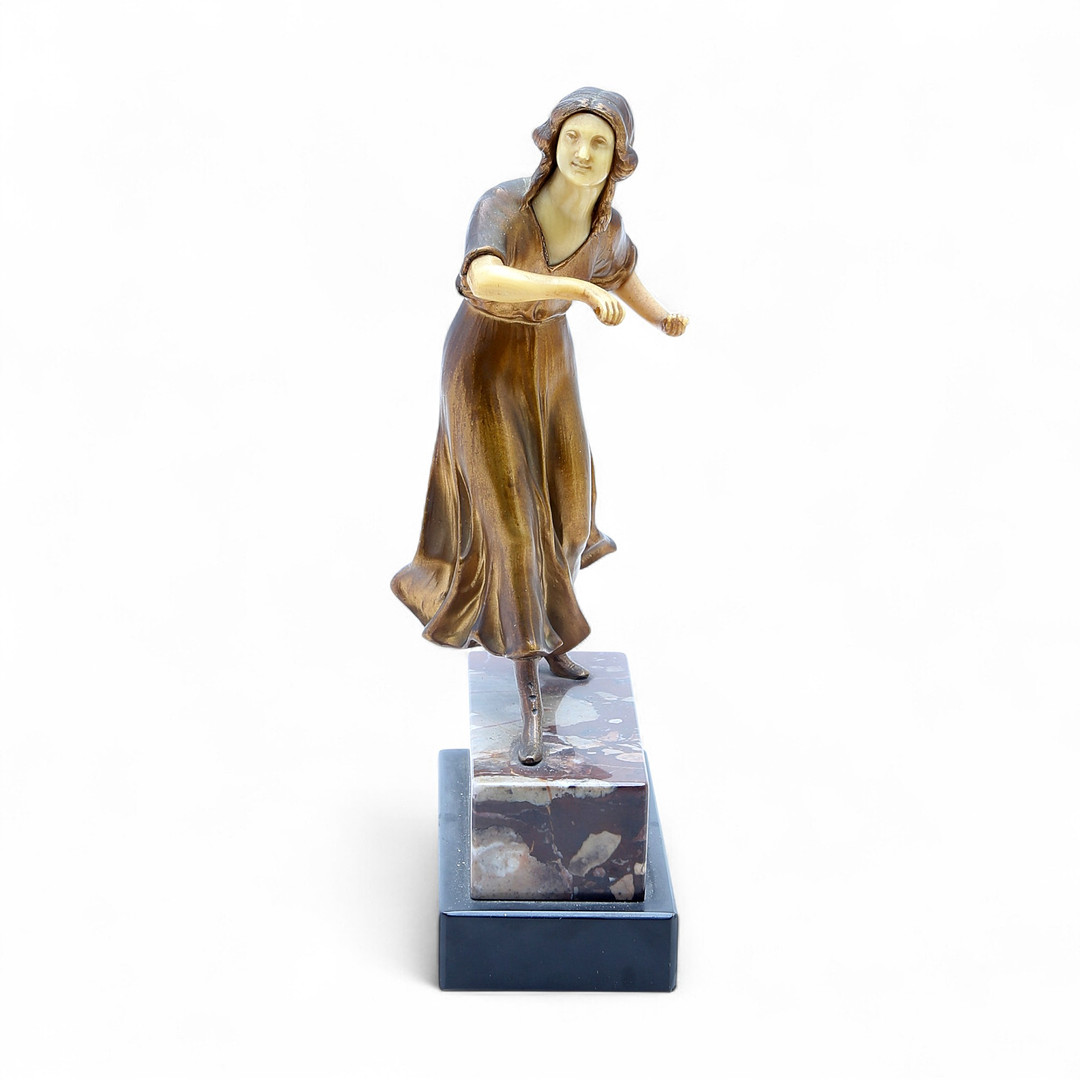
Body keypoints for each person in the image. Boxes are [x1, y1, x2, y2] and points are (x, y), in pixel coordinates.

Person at [392, 88, 688, 765]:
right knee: (513, 528)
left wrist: (660, 316)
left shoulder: (605, 228)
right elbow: (484, 280)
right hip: (484, 363)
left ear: (618, 159)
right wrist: (574, 291)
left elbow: (621, 273)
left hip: (551, 363)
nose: (582, 152)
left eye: (599, 143)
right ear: (551, 142)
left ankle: (552, 639)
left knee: (570, 514)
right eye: (572, 137)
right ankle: (527, 688)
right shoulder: (503, 205)